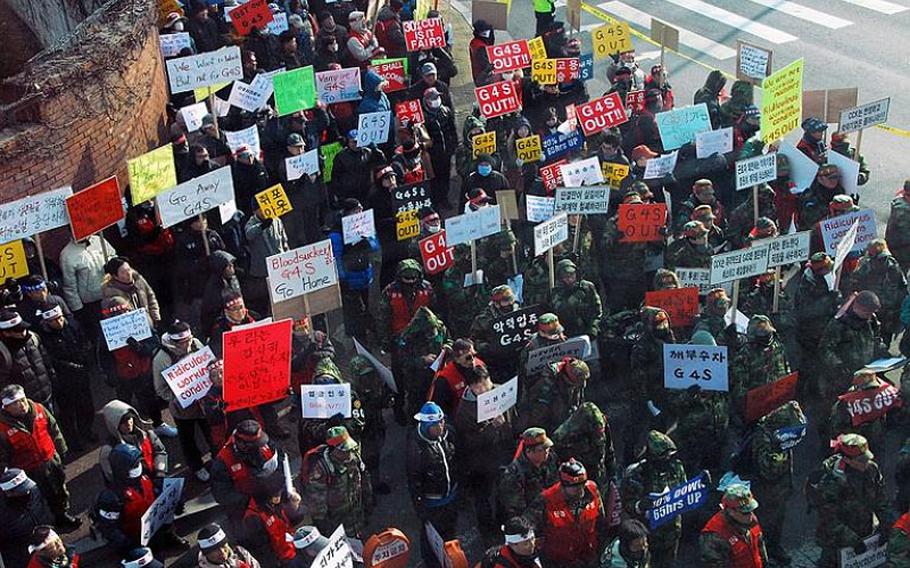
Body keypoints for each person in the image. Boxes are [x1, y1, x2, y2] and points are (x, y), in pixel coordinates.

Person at [0, 384, 79, 530]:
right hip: (28, 470)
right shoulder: (2, 428)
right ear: (6, 407)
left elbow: (54, 429)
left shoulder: (39, 409)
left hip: (50, 460)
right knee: (36, 499)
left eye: (22, 400)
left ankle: (62, 516)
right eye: (15, 403)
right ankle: (43, 527)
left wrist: (61, 450)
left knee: (59, 490)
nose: (21, 405)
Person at [454, 365, 515, 544]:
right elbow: (467, 442)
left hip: (503, 455)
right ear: (470, 388)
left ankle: (504, 525)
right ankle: (487, 532)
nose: (483, 389)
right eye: (478, 387)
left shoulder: (501, 393)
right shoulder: (465, 410)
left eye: (485, 383)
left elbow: (513, 420)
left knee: (505, 494)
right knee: (483, 500)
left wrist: (505, 427)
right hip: (479, 463)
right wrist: (491, 428)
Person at [811, 433, 892, 567]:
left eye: (866, 458)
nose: (866, 463)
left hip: (864, 530)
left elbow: (881, 500)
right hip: (836, 541)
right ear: (847, 460)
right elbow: (828, 518)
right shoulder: (832, 481)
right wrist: (851, 540)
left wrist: (885, 524)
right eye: (861, 460)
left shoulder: (871, 469)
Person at [94, 443, 187, 555]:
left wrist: (176, 502)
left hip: (154, 525)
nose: (138, 467)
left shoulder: (145, 476)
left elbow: (164, 489)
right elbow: (110, 529)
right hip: (134, 538)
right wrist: (128, 544)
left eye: (138, 463)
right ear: (121, 469)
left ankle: (168, 536)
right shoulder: (111, 497)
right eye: (134, 465)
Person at [152, 320, 213, 481]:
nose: (188, 344)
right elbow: (160, 389)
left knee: (212, 433)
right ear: (173, 341)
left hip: (205, 402)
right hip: (182, 409)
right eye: (183, 342)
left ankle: (218, 459)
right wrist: (178, 398)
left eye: (189, 340)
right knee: (188, 440)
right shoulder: (161, 359)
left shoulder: (196, 344)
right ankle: (197, 467)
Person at [529, 459, 611, 568]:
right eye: (575, 487)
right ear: (563, 485)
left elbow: (601, 524)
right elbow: (529, 527)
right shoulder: (546, 500)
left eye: (582, 484)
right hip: (557, 562)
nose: (580, 490)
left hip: (588, 559)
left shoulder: (592, 490)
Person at [35, 301, 95, 449]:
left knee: (87, 406)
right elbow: (49, 358)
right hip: (62, 380)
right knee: (68, 412)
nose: (60, 322)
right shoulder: (43, 336)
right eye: (55, 320)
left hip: (81, 373)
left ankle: (86, 430)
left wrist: (86, 357)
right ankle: (73, 440)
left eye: (60, 317)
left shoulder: (72, 325)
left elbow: (84, 341)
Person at [211, 420, 288, 536]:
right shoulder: (223, 462)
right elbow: (222, 495)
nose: (260, 447)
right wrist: (253, 499)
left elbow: (280, 458)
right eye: (256, 445)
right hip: (243, 510)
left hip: (271, 500)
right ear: (242, 444)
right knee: (251, 537)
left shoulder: (266, 444)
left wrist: (278, 488)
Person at [622, 431, 687, 568]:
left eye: (670, 456)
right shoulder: (637, 474)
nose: (668, 460)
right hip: (648, 536)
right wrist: (640, 505)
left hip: (672, 531)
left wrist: (700, 484)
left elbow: (684, 489)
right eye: (663, 457)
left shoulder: (676, 467)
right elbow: (628, 503)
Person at [406, 401, 458, 566]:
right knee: (431, 540)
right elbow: (414, 481)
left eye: (442, 421)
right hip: (432, 504)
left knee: (450, 534)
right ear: (427, 425)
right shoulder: (416, 448)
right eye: (437, 424)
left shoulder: (448, 434)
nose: (441, 426)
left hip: (451, 497)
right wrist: (420, 507)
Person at [301, 425, 373, 538]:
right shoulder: (321, 470)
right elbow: (317, 506)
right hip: (338, 526)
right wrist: (326, 529)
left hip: (357, 517)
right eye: (344, 450)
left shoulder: (353, 458)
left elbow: (363, 480)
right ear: (333, 449)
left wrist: (368, 503)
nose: (348, 453)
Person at [818, 290, 889, 401]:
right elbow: (825, 349)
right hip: (841, 379)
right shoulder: (840, 323)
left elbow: (876, 339)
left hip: (866, 375)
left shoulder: (871, 320)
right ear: (857, 306)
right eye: (867, 312)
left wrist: (883, 352)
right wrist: (839, 366)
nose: (870, 316)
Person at [59, 233, 117, 337]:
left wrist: (113, 263)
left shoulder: (100, 240)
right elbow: (69, 285)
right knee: (103, 335)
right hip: (93, 304)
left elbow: (114, 255)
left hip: (113, 294)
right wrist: (78, 310)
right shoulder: (66, 254)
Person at [497, 427, 560, 522]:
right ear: (529, 451)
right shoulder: (514, 474)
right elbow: (515, 509)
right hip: (533, 519)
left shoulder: (551, 459)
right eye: (541, 449)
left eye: (547, 447)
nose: (547, 451)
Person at [99, 400, 168, 484]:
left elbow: (160, 452)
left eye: (129, 418)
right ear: (113, 424)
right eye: (122, 422)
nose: (128, 423)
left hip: (155, 478)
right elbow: (111, 477)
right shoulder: (108, 450)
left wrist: (160, 472)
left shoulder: (148, 434)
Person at [699, 484, 768, 567]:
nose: (751, 516)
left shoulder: (752, 521)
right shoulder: (715, 535)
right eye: (745, 512)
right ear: (730, 510)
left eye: (751, 510)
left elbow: (760, 549)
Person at [243, 477, 305, 566]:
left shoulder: (273, 504)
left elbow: (291, 521)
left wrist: (295, 506)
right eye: (276, 495)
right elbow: (264, 550)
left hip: (295, 547)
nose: (279, 498)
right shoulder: (253, 518)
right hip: (284, 560)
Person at [243, 203, 290, 315]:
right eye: (262, 209)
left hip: (280, 265)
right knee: (268, 298)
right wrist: (262, 226)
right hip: (263, 271)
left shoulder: (276, 220)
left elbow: (284, 241)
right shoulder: (251, 223)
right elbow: (249, 234)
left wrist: (288, 257)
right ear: (255, 211)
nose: (265, 210)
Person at [0, 468, 52, 567]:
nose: (28, 490)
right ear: (8, 493)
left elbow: (44, 505)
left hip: (45, 543)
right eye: (22, 489)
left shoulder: (33, 489)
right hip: (23, 555)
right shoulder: (3, 513)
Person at [428, 338, 484, 417]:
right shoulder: (445, 378)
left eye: (474, 356)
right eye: (467, 358)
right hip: (459, 418)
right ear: (456, 359)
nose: (472, 360)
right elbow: (441, 408)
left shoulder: (480, 365)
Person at [549, 259, 603, 340]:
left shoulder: (587, 287)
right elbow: (560, 310)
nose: (570, 279)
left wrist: (594, 327)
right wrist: (575, 298)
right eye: (566, 277)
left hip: (587, 331)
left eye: (572, 275)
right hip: (568, 334)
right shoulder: (557, 292)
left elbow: (597, 310)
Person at [196, 522, 261, 568]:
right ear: (206, 553)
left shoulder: (240, 552)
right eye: (215, 550)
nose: (222, 552)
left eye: (223, 546)